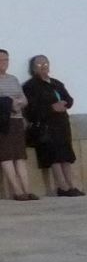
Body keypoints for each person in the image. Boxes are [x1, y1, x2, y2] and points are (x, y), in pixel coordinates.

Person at [23, 56, 83, 196]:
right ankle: (62, 187)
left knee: (66, 155)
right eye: (39, 64)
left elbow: (68, 99)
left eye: (45, 63)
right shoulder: (31, 86)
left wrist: (64, 104)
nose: (43, 66)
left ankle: (71, 185)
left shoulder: (56, 83)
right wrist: (51, 108)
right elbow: (31, 109)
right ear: (33, 68)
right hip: (47, 126)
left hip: (61, 123)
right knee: (54, 156)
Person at [0, 50, 34, 200]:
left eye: (6, 60)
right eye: (1, 60)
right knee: (7, 156)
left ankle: (27, 190)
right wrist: (10, 103)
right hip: (3, 122)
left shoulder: (13, 79)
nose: (4, 63)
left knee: (20, 155)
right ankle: (17, 191)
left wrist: (18, 103)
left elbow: (24, 99)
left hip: (17, 119)